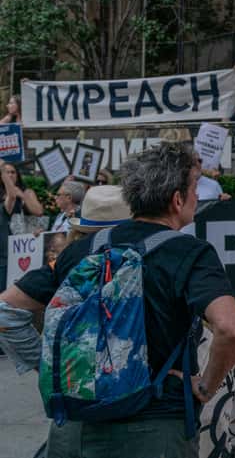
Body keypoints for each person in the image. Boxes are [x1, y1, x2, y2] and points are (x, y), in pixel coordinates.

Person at [0, 143, 235, 457]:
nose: (197, 196)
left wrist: (60, 367)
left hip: (74, 430)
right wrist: (205, 387)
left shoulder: (80, 251)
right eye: (194, 188)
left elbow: (6, 310)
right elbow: (231, 330)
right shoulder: (191, 252)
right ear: (177, 199)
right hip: (154, 430)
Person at [0, 184, 132, 454]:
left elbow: (6, 311)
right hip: (145, 400)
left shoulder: (68, 260)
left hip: (78, 396)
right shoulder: (153, 257)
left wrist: (51, 363)